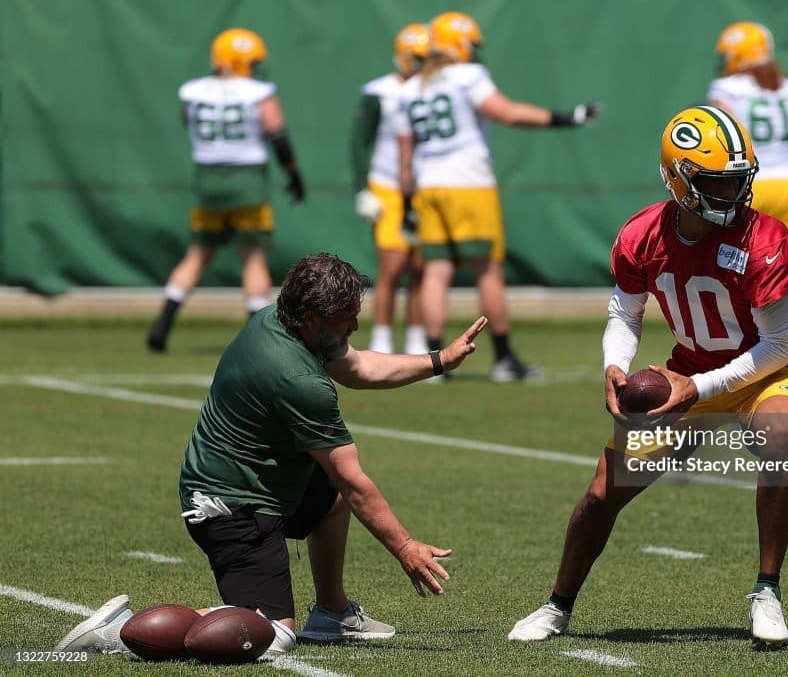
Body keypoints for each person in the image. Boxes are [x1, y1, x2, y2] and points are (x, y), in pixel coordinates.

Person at [57, 253, 487, 654]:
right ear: (311, 317)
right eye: (346, 316)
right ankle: (118, 630)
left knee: (330, 500)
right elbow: (355, 482)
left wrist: (439, 360)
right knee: (272, 633)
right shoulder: (298, 377)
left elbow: (358, 366)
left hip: (255, 484)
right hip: (229, 507)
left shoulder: (277, 321)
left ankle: (333, 613)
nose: (355, 324)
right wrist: (406, 546)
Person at [508, 106, 788, 646]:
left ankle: (767, 590)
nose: (734, 195)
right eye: (718, 183)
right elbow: (625, 314)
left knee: (781, 437)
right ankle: (557, 606)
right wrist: (614, 367)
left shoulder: (765, 242)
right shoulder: (642, 234)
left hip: (764, 374)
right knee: (603, 493)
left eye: (739, 181)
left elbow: (779, 345)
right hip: (688, 371)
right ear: (680, 181)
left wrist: (699, 387)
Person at [394, 11, 601, 382]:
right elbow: (506, 112)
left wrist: (408, 205)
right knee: (486, 270)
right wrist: (566, 118)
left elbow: (405, 159)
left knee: (436, 272)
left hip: (429, 187)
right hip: (469, 184)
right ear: (458, 44)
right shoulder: (467, 76)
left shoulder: (409, 89)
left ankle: (435, 363)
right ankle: (504, 358)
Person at [147, 28, 306, 352]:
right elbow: (277, 135)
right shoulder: (257, 92)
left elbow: (186, 120)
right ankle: (257, 334)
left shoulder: (193, 91)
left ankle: (162, 325)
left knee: (196, 255)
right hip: (247, 181)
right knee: (253, 257)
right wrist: (293, 174)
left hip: (208, 181)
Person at [709, 21, 788, 349]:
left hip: (747, 186)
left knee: (732, 265)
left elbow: (719, 138)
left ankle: (742, 341)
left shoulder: (727, 90)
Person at [351, 23, 431, 355]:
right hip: (387, 185)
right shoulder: (379, 91)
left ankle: (416, 340)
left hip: (427, 187)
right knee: (392, 265)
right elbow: (358, 143)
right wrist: (361, 189)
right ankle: (381, 339)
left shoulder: (437, 89)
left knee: (421, 267)